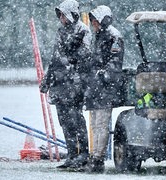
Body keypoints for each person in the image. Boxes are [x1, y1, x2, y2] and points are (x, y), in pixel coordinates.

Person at [40, 0, 91, 169]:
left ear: (71, 14)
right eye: (59, 15)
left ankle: (83, 154)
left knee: (76, 120)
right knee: (65, 121)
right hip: (59, 85)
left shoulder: (83, 30)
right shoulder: (61, 31)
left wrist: (69, 56)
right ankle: (71, 154)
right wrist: (47, 80)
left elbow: (85, 56)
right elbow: (55, 58)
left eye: (63, 14)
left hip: (74, 85)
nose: (60, 18)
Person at [84, 5, 124, 173]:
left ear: (102, 20)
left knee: (101, 124)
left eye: (95, 20)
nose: (93, 23)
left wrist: (102, 75)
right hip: (96, 88)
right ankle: (94, 155)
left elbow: (115, 63)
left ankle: (97, 158)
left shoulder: (114, 36)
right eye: (92, 20)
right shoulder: (99, 36)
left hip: (105, 89)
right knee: (94, 124)